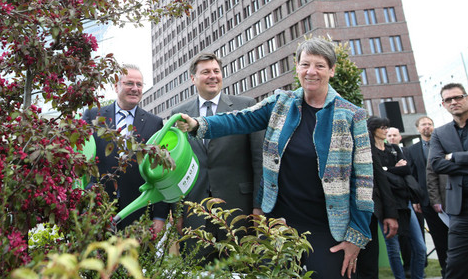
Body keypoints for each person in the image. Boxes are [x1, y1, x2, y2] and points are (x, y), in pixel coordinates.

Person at [175, 37, 373, 279]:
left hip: (328, 227)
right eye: (305, 64)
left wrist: (357, 236)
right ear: (297, 69)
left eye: (319, 65)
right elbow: (239, 118)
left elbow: (364, 182)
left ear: (331, 70)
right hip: (279, 224)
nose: (311, 71)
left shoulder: (352, 116)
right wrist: (198, 124)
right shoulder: (281, 103)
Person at [166, 52, 262, 261]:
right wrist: (178, 211)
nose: (212, 76)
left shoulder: (245, 106)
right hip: (195, 214)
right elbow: (175, 167)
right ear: (193, 78)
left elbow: (259, 161)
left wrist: (258, 206)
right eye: (206, 72)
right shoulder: (179, 113)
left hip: (239, 211)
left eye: (216, 71)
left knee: (241, 270)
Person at [82, 64, 164, 230]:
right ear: (116, 86)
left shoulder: (155, 123)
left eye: (139, 84)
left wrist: (160, 216)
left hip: (138, 211)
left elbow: (160, 173)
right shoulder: (92, 116)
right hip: (97, 209)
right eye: (129, 83)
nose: (135, 88)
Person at [371, 121, 426, 279]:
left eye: (386, 127)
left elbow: (406, 169)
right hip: (384, 203)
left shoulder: (394, 149)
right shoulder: (370, 152)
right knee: (393, 247)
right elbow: (377, 176)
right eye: (382, 128)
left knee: (420, 246)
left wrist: (386, 170)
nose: (385, 130)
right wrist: (394, 170)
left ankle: (418, 276)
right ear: (373, 130)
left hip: (404, 200)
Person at [429, 83, 468, 279]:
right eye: (448, 100)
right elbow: (436, 164)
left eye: (458, 97)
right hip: (460, 211)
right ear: (443, 104)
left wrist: (453, 157)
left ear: (466, 98)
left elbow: (444, 162)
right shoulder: (440, 133)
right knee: (455, 266)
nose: (454, 102)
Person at [356, 120, 400, 278]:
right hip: (325, 213)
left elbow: (378, 175)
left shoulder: (360, 132)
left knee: (367, 266)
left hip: (364, 211)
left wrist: (390, 213)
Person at [406, 116, 449, 276]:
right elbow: (412, 175)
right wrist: (416, 199)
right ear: (418, 128)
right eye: (424, 125)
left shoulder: (443, 146)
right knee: (438, 238)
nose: (427, 127)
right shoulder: (412, 150)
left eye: (430, 124)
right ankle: (446, 270)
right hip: (426, 201)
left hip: (448, 198)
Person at [387, 126, 427, 278]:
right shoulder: (385, 152)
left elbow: (410, 171)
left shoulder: (407, 152)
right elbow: (383, 173)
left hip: (410, 199)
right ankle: (406, 270)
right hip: (391, 202)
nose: (391, 137)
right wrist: (393, 169)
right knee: (397, 243)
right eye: (389, 135)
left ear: (400, 137)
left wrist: (416, 198)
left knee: (419, 243)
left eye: (394, 135)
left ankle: (419, 273)